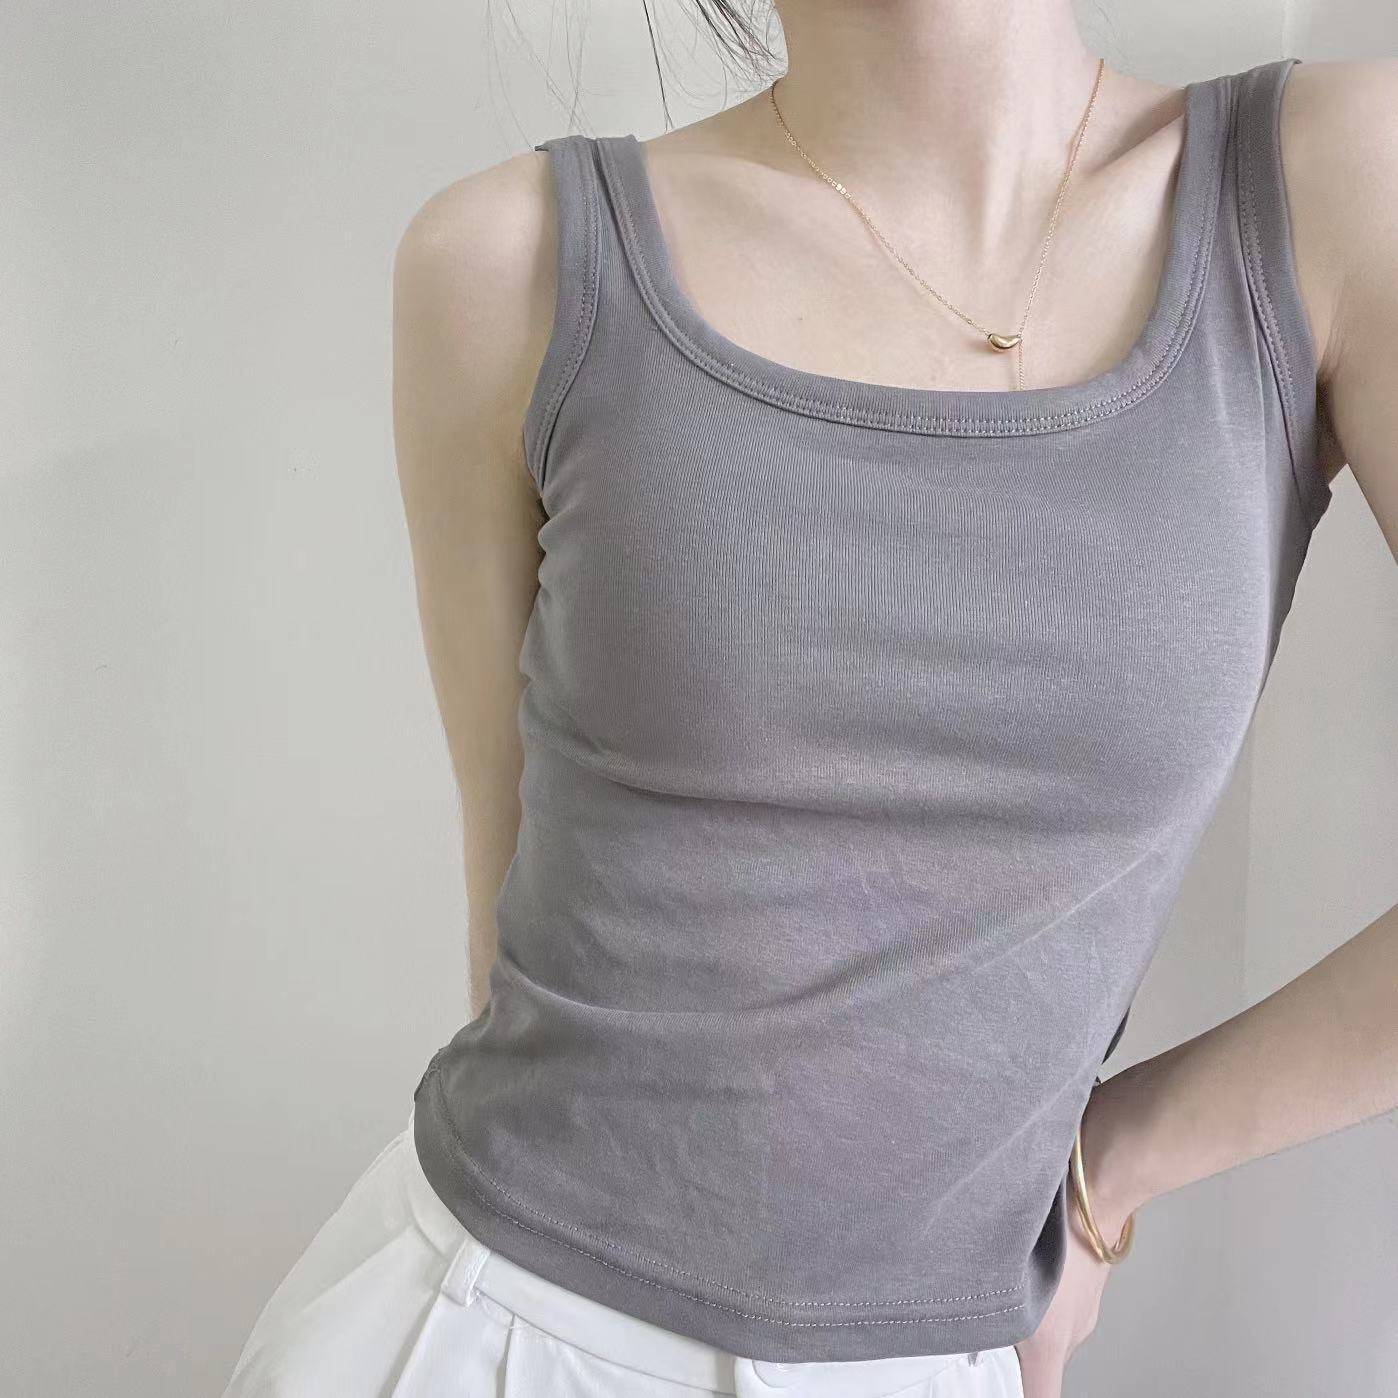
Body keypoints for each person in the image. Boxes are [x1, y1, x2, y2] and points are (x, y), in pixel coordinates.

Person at [222, 4, 1398, 1395]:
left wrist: (1115, 1156)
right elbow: (511, 888)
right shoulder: (507, 260)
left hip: (937, 1346)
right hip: (492, 1325)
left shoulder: (1329, 182)